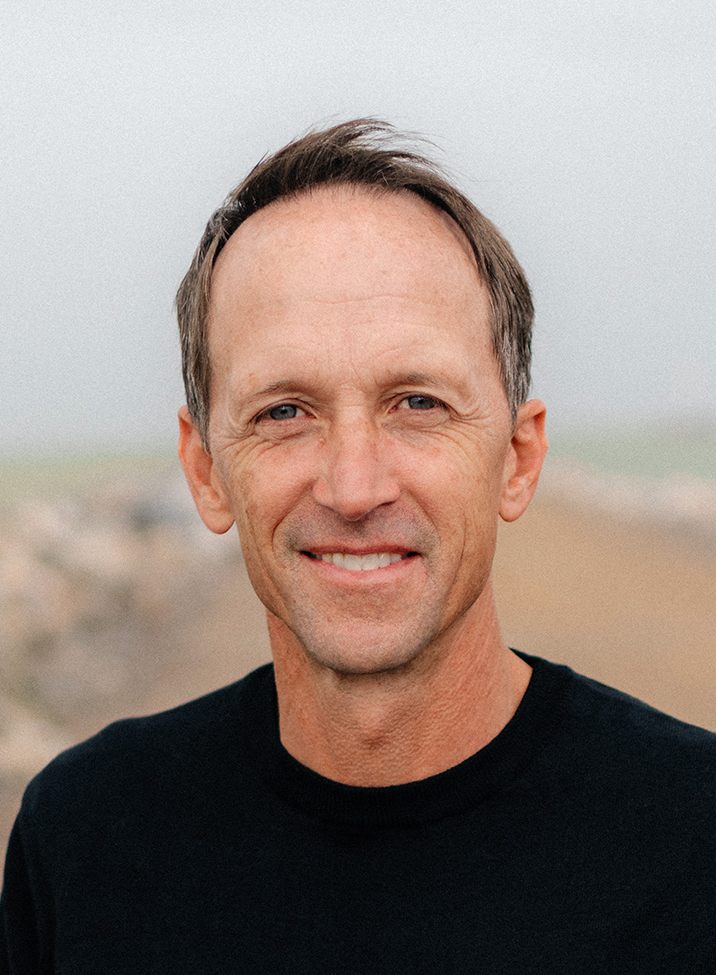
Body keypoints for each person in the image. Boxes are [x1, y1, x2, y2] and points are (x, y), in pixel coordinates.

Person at [1, 120, 714, 972]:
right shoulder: (84, 842)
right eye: (284, 411)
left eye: (417, 403)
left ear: (518, 460)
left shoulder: (694, 840)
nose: (354, 486)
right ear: (206, 471)